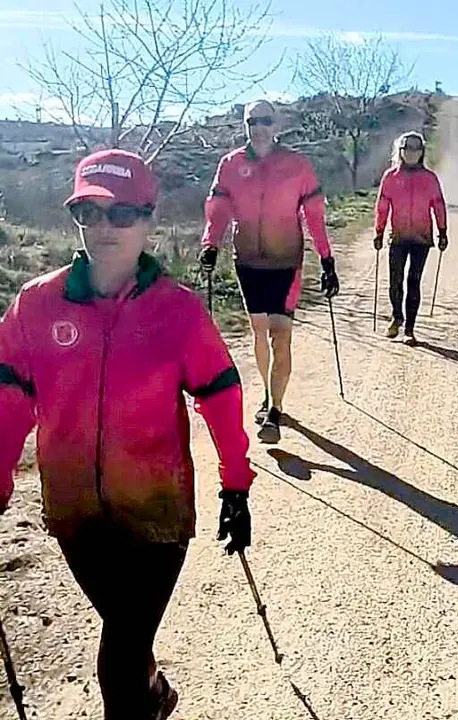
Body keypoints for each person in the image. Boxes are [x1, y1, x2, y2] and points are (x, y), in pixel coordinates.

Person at [0, 149, 255, 720]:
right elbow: (8, 402)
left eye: (122, 214)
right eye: (89, 212)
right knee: (126, 634)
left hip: (157, 512)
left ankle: (138, 694)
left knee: (117, 660)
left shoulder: (178, 311)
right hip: (74, 512)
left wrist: (235, 484)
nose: (105, 227)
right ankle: (155, 690)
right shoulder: (35, 305)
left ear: (148, 219)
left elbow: (221, 396)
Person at [198, 99, 341, 444]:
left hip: (285, 260)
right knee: (258, 332)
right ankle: (267, 392)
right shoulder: (230, 164)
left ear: (276, 125)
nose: (258, 128)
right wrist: (210, 244)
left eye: (264, 121)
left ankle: (275, 409)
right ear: (245, 126)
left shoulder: (297, 165)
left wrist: (327, 259)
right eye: (251, 122)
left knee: (280, 333)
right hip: (247, 259)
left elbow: (314, 215)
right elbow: (218, 209)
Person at [373, 131, 448, 344]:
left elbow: (439, 205)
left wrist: (442, 231)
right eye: (408, 149)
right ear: (401, 151)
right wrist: (378, 231)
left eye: (416, 149)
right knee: (395, 280)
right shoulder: (390, 177)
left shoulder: (430, 178)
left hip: (422, 238)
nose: (412, 154)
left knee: (413, 281)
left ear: (422, 152)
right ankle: (397, 317)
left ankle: (410, 329)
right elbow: (382, 206)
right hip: (397, 236)